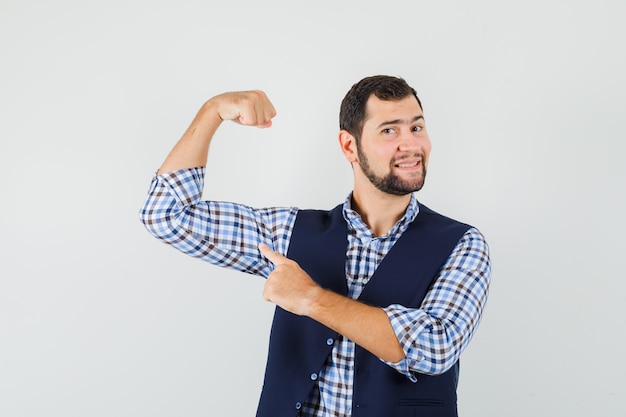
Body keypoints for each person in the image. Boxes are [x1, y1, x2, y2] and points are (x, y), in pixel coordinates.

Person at [139, 75, 491, 417]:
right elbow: (166, 214)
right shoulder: (289, 232)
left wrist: (311, 298)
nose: (411, 145)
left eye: (417, 127)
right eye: (389, 130)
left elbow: (434, 348)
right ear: (349, 145)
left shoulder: (462, 245)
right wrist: (212, 111)